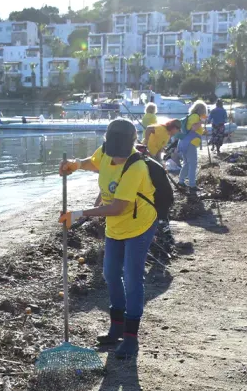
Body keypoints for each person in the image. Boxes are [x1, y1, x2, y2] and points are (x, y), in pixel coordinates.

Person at [58, 119, 158, 359]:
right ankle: (116, 328)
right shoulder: (105, 151)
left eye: (121, 153)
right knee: (111, 274)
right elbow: (93, 163)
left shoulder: (136, 167)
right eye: (114, 152)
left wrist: (80, 214)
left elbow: (117, 208)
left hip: (140, 225)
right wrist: (74, 165)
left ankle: (131, 338)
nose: (117, 157)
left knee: (132, 279)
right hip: (116, 228)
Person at [177, 101, 208, 195]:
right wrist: (202, 121)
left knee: (186, 163)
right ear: (202, 110)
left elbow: (194, 129)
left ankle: (181, 181)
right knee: (193, 164)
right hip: (190, 143)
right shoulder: (195, 117)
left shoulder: (190, 116)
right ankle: (192, 184)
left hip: (184, 142)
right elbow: (193, 128)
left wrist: (203, 131)